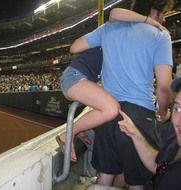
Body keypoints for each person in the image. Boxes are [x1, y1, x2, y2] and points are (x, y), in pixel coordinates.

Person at [69, 0, 173, 189]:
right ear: (154, 10)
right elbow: (164, 87)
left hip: (108, 114)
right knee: (136, 183)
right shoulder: (160, 34)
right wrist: (164, 113)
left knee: (105, 177)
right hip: (139, 116)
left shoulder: (108, 28)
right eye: (164, 12)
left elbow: (75, 47)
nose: (165, 18)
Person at [118, 77, 181, 190]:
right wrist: (135, 133)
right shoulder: (175, 139)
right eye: (178, 109)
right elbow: (158, 166)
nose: (179, 122)